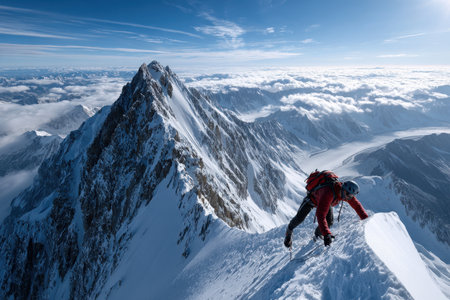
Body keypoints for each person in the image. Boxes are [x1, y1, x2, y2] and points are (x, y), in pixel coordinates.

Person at [284, 179, 368, 248]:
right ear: (343, 190)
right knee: (300, 218)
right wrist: (327, 234)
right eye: (348, 195)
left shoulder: (345, 193)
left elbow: (357, 206)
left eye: (351, 196)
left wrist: (367, 220)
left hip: (327, 202)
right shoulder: (328, 193)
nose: (348, 198)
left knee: (330, 221)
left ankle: (317, 235)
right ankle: (289, 231)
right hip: (312, 200)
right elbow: (320, 215)